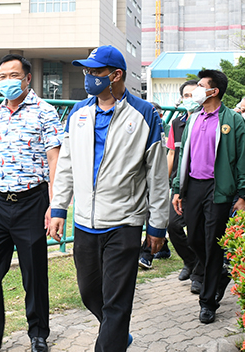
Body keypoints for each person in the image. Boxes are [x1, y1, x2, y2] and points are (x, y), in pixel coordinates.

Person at [49, 45, 170, 351]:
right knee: (90, 293)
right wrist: (59, 208)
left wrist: (157, 226)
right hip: (85, 222)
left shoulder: (144, 115)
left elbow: (157, 176)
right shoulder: (78, 113)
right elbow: (66, 165)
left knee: (117, 302)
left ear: (116, 75)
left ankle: (110, 340)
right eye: (86, 71)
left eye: (95, 72)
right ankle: (116, 334)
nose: (88, 76)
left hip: (124, 222)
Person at [0, 54, 62, 352]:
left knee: (34, 273)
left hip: (32, 201)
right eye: (3, 76)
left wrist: (54, 205)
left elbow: (55, 159)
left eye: (14, 75)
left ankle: (38, 334)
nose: (8, 81)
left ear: (28, 78)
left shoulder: (45, 112)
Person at [171, 69, 245, 324]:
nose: (196, 90)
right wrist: (177, 189)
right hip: (193, 186)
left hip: (219, 188)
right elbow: (183, 156)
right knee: (195, 239)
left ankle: (208, 303)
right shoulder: (193, 118)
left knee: (213, 242)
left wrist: (243, 193)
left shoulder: (233, 120)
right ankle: (220, 272)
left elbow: (242, 158)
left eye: (201, 85)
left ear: (214, 91)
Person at [163, 81, 204, 293]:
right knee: (173, 225)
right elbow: (171, 154)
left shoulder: (207, 121)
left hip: (199, 183)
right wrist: (165, 180)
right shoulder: (176, 124)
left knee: (197, 231)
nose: (190, 99)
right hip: (179, 185)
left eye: (193, 95)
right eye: (186, 95)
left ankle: (199, 275)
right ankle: (190, 261)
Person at [138, 104, 173, 270]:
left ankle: (147, 254)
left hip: (159, 177)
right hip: (141, 177)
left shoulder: (167, 130)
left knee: (154, 213)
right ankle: (163, 247)